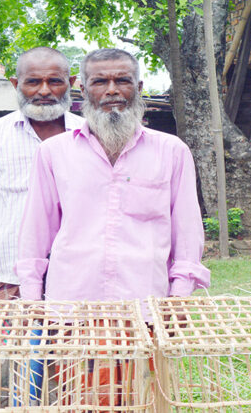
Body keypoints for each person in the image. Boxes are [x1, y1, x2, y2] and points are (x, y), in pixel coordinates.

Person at [16, 47, 210, 309]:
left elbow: (187, 232)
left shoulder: (172, 151)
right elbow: (35, 231)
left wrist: (179, 296)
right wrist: (30, 297)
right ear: (83, 91)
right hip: (71, 305)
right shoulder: (53, 152)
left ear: (138, 87)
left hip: (146, 304)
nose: (111, 90)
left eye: (122, 81)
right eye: (99, 82)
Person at [0, 47, 84, 300]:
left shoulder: (90, 136)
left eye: (55, 82)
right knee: (10, 340)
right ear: (16, 84)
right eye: (33, 82)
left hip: (78, 279)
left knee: (73, 341)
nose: (44, 91)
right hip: (8, 277)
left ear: (70, 84)